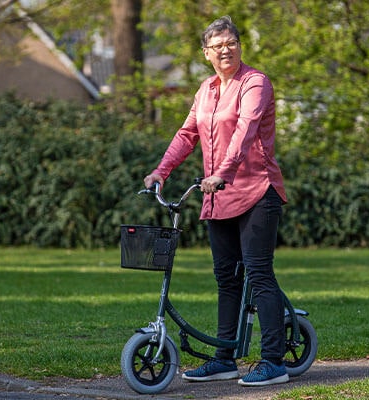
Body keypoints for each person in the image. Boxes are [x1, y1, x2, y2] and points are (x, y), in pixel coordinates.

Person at [143, 16, 288, 387]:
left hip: (256, 190)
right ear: (206, 53)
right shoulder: (206, 90)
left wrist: (221, 172)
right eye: (217, 45)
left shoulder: (255, 83)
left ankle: (274, 361)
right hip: (218, 195)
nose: (225, 49)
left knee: (258, 273)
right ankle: (224, 358)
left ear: (240, 45)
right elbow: (187, 132)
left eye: (231, 43)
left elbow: (246, 130)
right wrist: (162, 171)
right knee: (226, 278)